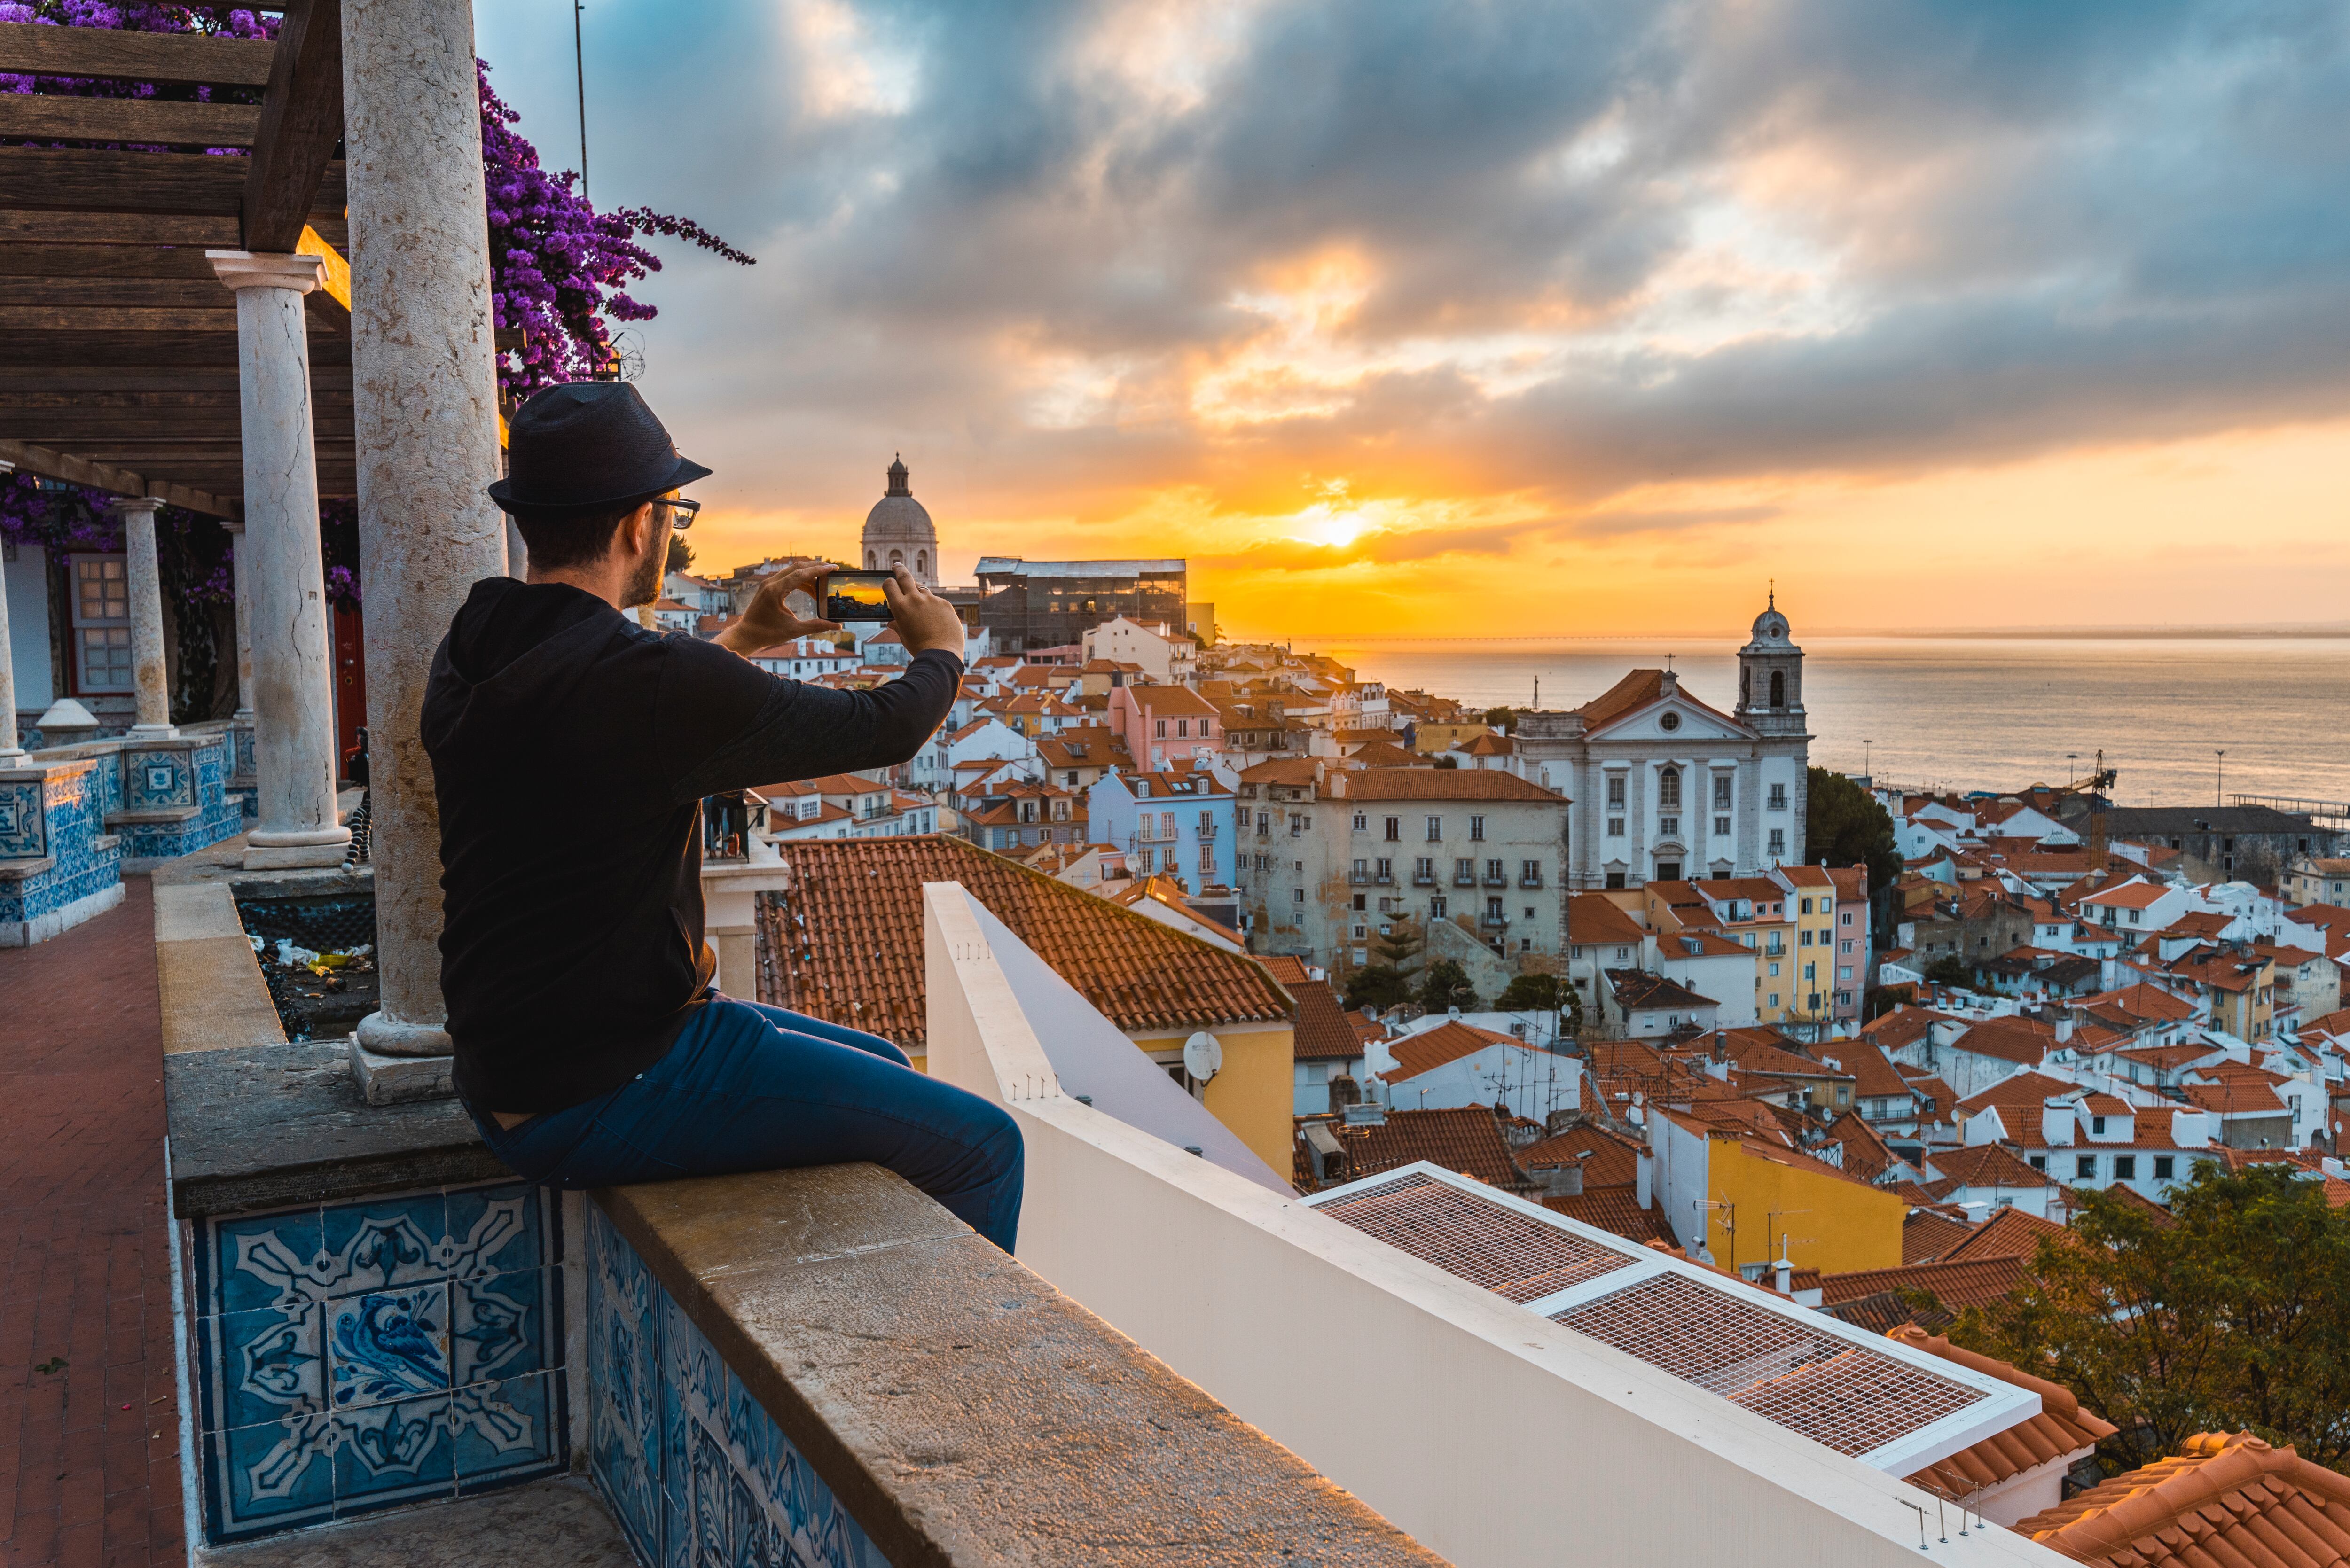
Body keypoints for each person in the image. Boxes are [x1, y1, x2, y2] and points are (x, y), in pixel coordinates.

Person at [422, 381, 1021, 1251]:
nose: (675, 527)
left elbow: (617, 720)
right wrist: (944, 648)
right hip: (605, 1081)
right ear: (639, 525)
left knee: (886, 1069)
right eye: (674, 509)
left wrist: (738, 639)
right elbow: (886, 727)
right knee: (984, 1146)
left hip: (502, 1073)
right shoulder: (651, 682)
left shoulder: (473, 645)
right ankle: (958, 1377)